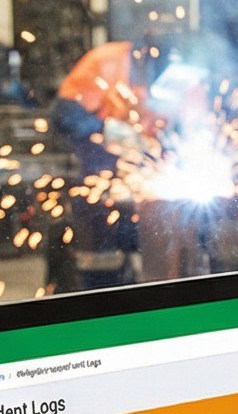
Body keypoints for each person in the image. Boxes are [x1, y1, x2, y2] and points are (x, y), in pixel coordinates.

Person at [48, 38, 157, 288]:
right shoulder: (108, 61)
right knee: (101, 266)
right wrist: (105, 129)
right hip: (99, 181)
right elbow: (63, 115)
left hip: (140, 184)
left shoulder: (186, 76)